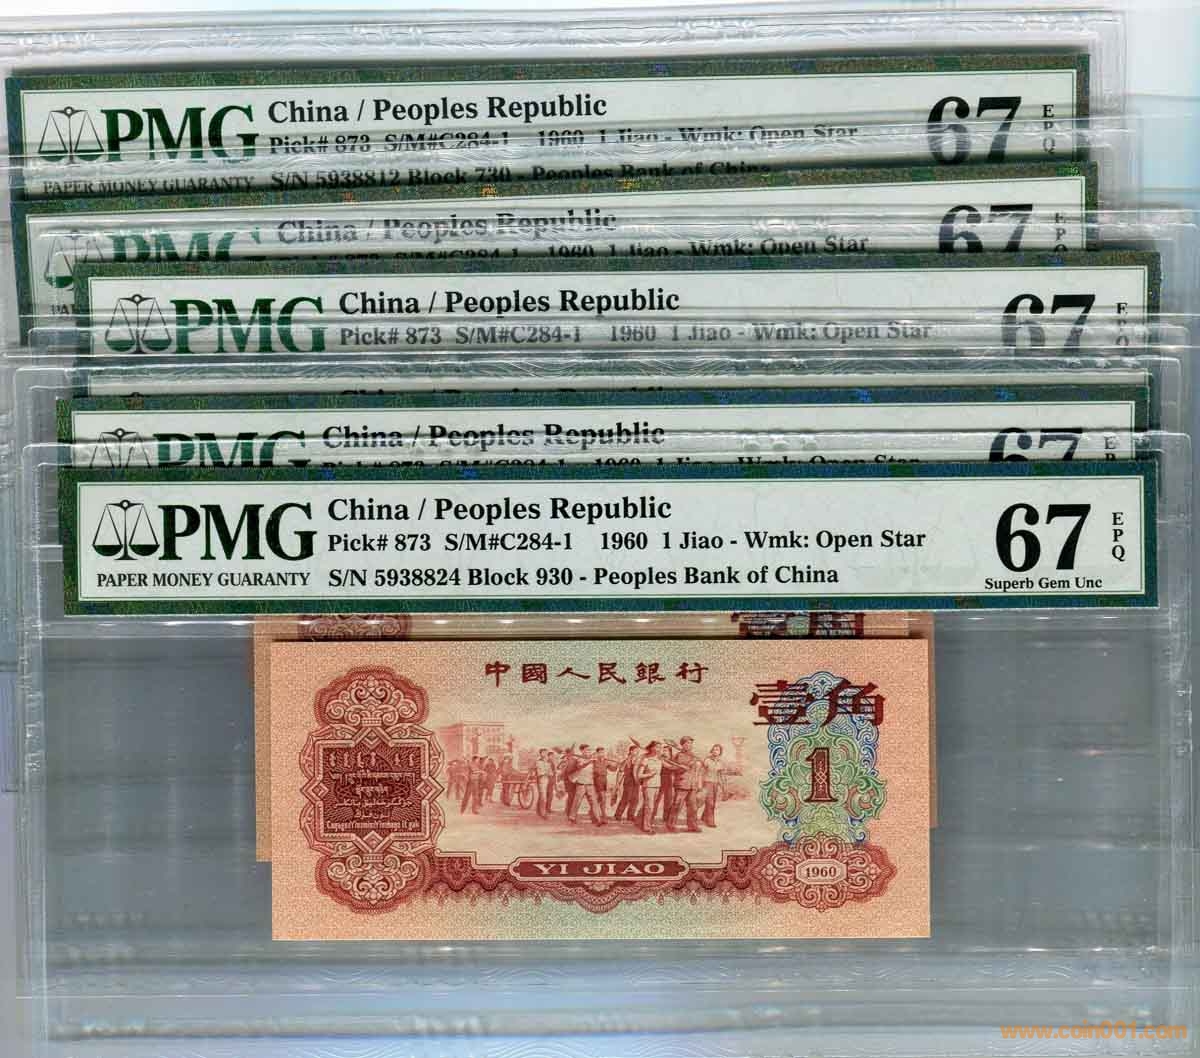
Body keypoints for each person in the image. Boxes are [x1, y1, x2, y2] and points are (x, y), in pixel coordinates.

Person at [669, 736, 702, 833]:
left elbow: (697, 770)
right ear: (682, 745)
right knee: (677, 806)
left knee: (693, 807)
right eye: (687, 743)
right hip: (682, 784)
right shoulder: (679, 755)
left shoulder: (693, 755)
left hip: (692, 785)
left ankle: (692, 826)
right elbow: (674, 768)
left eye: (691, 743)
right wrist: (688, 764)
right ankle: (671, 825)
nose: (689, 745)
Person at [636, 741, 664, 834]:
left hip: (657, 785)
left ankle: (639, 822)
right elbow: (639, 775)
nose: (659, 749)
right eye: (657, 747)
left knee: (648, 805)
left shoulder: (660, 760)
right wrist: (650, 774)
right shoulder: (646, 759)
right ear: (652, 748)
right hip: (648, 786)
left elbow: (671, 767)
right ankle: (646, 827)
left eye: (660, 747)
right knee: (650, 807)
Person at [612, 743, 642, 822]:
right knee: (626, 798)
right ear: (631, 751)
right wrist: (618, 783)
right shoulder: (627, 760)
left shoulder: (638, 759)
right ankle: (618, 815)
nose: (637, 752)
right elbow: (621, 770)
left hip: (636, 781)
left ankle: (630, 815)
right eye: (635, 751)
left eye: (638, 751)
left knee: (635, 799)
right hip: (629, 781)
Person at [701, 744, 725, 827]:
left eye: (717, 750)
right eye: (714, 749)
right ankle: (710, 821)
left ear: (720, 752)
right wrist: (700, 784)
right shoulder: (707, 760)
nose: (715, 751)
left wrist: (723, 786)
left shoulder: (720, 763)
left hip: (715, 783)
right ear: (711, 751)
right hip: (707, 782)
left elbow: (721, 775)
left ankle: (704, 817)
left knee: (712, 802)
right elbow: (701, 772)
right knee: (710, 802)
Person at [591, 745, 615, 824]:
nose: (602, 754)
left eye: (603, 752)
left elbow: (613, 769)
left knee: (600, 799)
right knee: (601, 798)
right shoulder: (594, 761)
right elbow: (594, 771)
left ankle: (594, 814)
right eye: (600, 752)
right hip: (597, 780)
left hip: (604, 780)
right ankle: (603, 816)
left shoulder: (606, 761)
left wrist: (617, 764)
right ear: (597, 753)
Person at [534, 749, 553, 819]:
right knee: (543, 797)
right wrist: (545, 772)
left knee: (542, 796)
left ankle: (539, 811)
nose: (544, 754)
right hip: (541, 780)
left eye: (545, 753)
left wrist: (548, 773)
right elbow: (539, 773)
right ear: (540, 754)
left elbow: (551, 773)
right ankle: (543, 813)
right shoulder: (538, 762)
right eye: (543, 753)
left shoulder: (548, 763)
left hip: (547, 780)